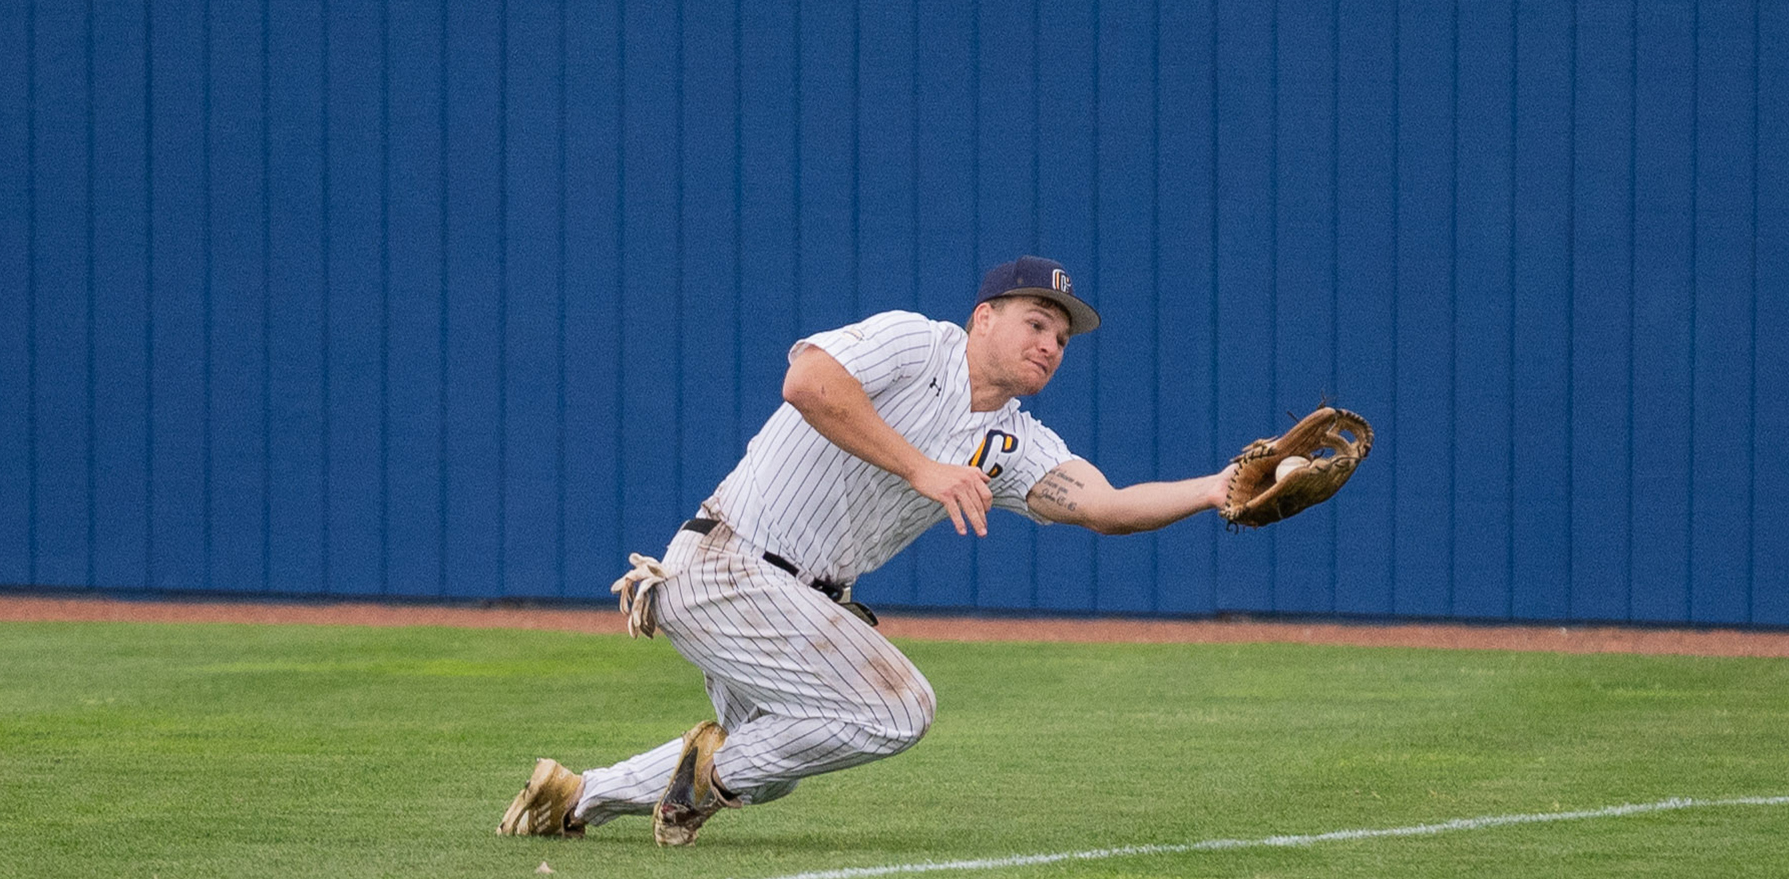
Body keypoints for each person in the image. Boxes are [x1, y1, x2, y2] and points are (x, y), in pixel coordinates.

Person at [498, 256, 1241, 847]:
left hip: (786, 595)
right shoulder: (916, 343)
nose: (1050, 344)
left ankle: (576, 797)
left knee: (774, 762)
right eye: (1036, 322)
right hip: (730, 562)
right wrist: (922, 468)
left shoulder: (1013, 442)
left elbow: (1107, 508)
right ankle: (702, 781)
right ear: (983, 317)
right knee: (897, 709)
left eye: (1062, 339)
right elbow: (807, 382)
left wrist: (1216, 487)